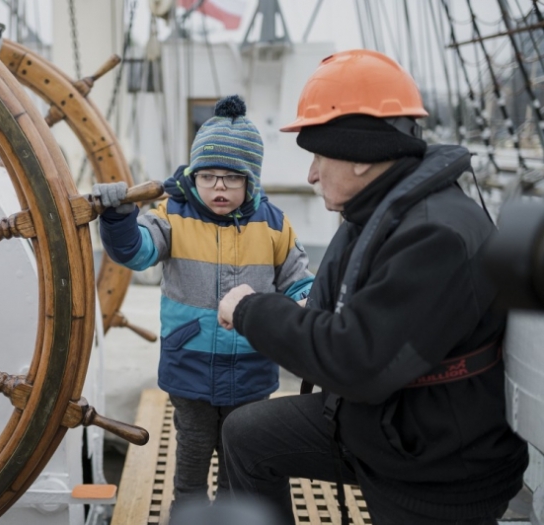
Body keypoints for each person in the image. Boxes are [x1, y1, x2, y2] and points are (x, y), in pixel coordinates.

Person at [216, 49, 529, 525]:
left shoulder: (435, 235)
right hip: (384, 423)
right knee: (247, 435)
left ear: (360, 156)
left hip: (435, 469)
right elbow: (333, 308)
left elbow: (355, 360)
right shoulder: (377, 210)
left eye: (319, 155)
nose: (312, 174)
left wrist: (250, 310)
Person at [93, 94, 314, 509]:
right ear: (192, 176)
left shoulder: (273, 224)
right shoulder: (171, 214)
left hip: (251, 370)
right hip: (188, 368)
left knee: (238, 462)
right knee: (192, 463)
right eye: (207, 176)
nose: (218, 187)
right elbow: (135, 252)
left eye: (231, 178)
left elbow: (298, 280)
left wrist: (313, 302)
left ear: (251, 180)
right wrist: (118, 217)